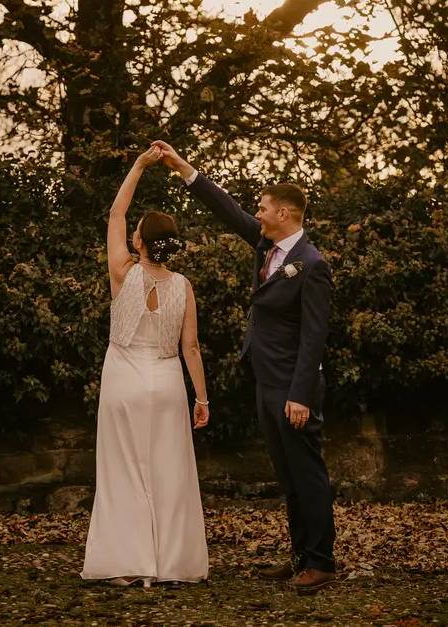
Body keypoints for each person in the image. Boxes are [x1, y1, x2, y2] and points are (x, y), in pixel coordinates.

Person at [151, 140, 337, 594]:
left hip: (293, 388)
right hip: (266, 380)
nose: (258, 213)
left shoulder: (312, 265)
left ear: (287, 214)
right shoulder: (266, 243)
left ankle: (321, 561)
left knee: (307, 474)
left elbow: (314, 336)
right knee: (286, 474)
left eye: (265, 207)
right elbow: (226, 208)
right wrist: (181, 166)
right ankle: (298, 557)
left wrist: (299, 395)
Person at [80, 146, 210, 588]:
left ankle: (128, 564)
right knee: (170, 472)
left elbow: (116, 214)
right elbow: (190, 347)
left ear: (139, 242)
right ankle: (174, 565)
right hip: (169, 381)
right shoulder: (184, 286)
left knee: (123, 471)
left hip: (123, 379)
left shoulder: (122, 271)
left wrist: (138, 165)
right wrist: (203, 398)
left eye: (135, 231)